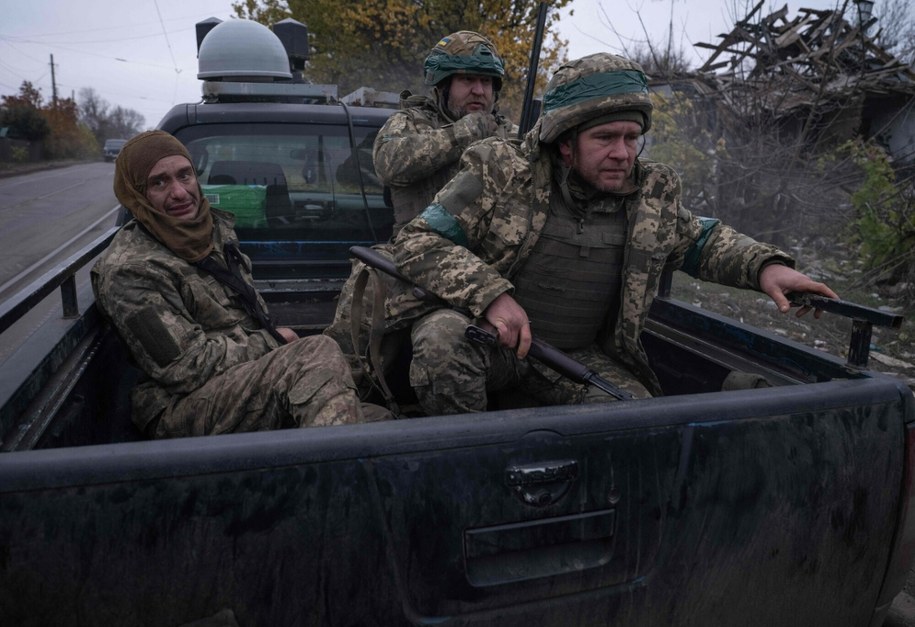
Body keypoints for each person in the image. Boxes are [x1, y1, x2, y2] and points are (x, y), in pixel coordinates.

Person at [376, 52, 839, 415]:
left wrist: (766, 267)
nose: (623, 153)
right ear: (565, 142)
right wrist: (491, 295)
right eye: (605, 138)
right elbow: (418, 241)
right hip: (491, 343)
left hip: (574, 358)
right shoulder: (501, 171)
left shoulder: (649, 193)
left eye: (631, 138)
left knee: (637, 420)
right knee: (442, 340)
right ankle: (469, 462)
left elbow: (700, 240)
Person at [91, 130, 388, 438]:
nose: (179, 192)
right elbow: (185, 368)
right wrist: (272, 341)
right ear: (137, 195)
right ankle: (339, 467)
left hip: (239, 381)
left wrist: (274, 347)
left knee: (382, 422)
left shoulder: (208, 231)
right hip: (182, 406)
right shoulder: (132, 269)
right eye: (159, 183)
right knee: (315, 354)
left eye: (185, 175)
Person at [373, 30, 515, 236]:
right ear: (443, 85)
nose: (478, 90)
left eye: (486, 81)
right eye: (467, 79)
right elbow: (388, 164)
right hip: (420, 247)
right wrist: (463, 133)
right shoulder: (410, 122)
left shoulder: (511, 134)